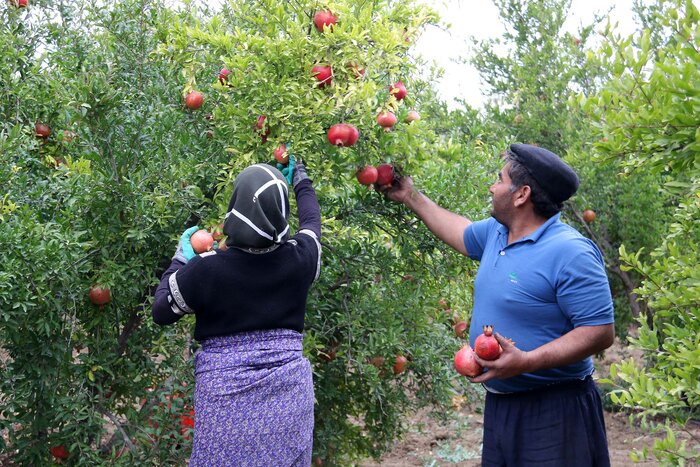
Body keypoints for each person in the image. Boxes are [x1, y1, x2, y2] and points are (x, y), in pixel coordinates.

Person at [384, 143, 615, 466]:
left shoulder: (571, 251)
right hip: (503, 405)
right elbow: (460, 231)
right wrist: (410, 195)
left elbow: (600, 331)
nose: (492, 187)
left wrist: (527, 361)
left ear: (521, 194)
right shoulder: (497, 232)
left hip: (556, 409)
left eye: (499, 178)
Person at [152, 158, 321, 466]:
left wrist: (180, 259)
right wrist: (300, 181)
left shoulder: (207, 270)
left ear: (235, 207)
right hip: (288, 399)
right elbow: (311, 222)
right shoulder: (301, 260)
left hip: (224, 398)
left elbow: (162, 309)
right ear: (281, 213)